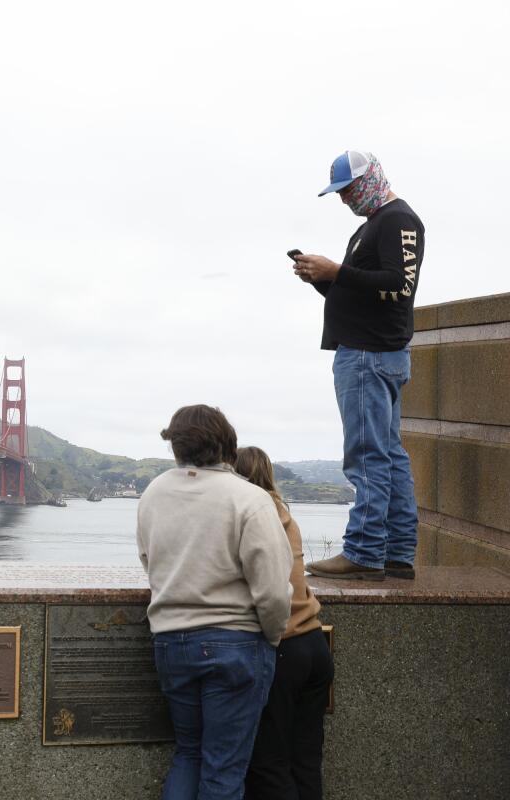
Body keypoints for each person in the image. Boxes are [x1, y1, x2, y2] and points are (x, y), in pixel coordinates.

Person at [137, 405, 293, 800]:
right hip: (235, 644)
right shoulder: (249, 498)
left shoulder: (154, 492)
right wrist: (271, 639)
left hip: (171, 641)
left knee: (188, 755)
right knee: (224, 769)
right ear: (227, 444)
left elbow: (148, 561)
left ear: (177, 446)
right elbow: (273, 589)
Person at [293, 151, 423, 581]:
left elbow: (398, 286)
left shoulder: (397, 221)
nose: (345, 199)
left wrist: (337, 270)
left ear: (370, 179)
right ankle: (398, 554)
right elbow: (358, 294)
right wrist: (323, 279)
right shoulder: (371, 227)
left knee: (367, 457)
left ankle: (365, 551)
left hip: (369, 356)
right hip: (373, 353)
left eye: (349, 189)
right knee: (389, 455)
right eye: (339, 193)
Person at [235, 447, 334, 800]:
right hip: (314, 644)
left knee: (269, 762)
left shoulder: (249, 516)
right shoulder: (283, 513)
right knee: (306, 758)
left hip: (284, 648)